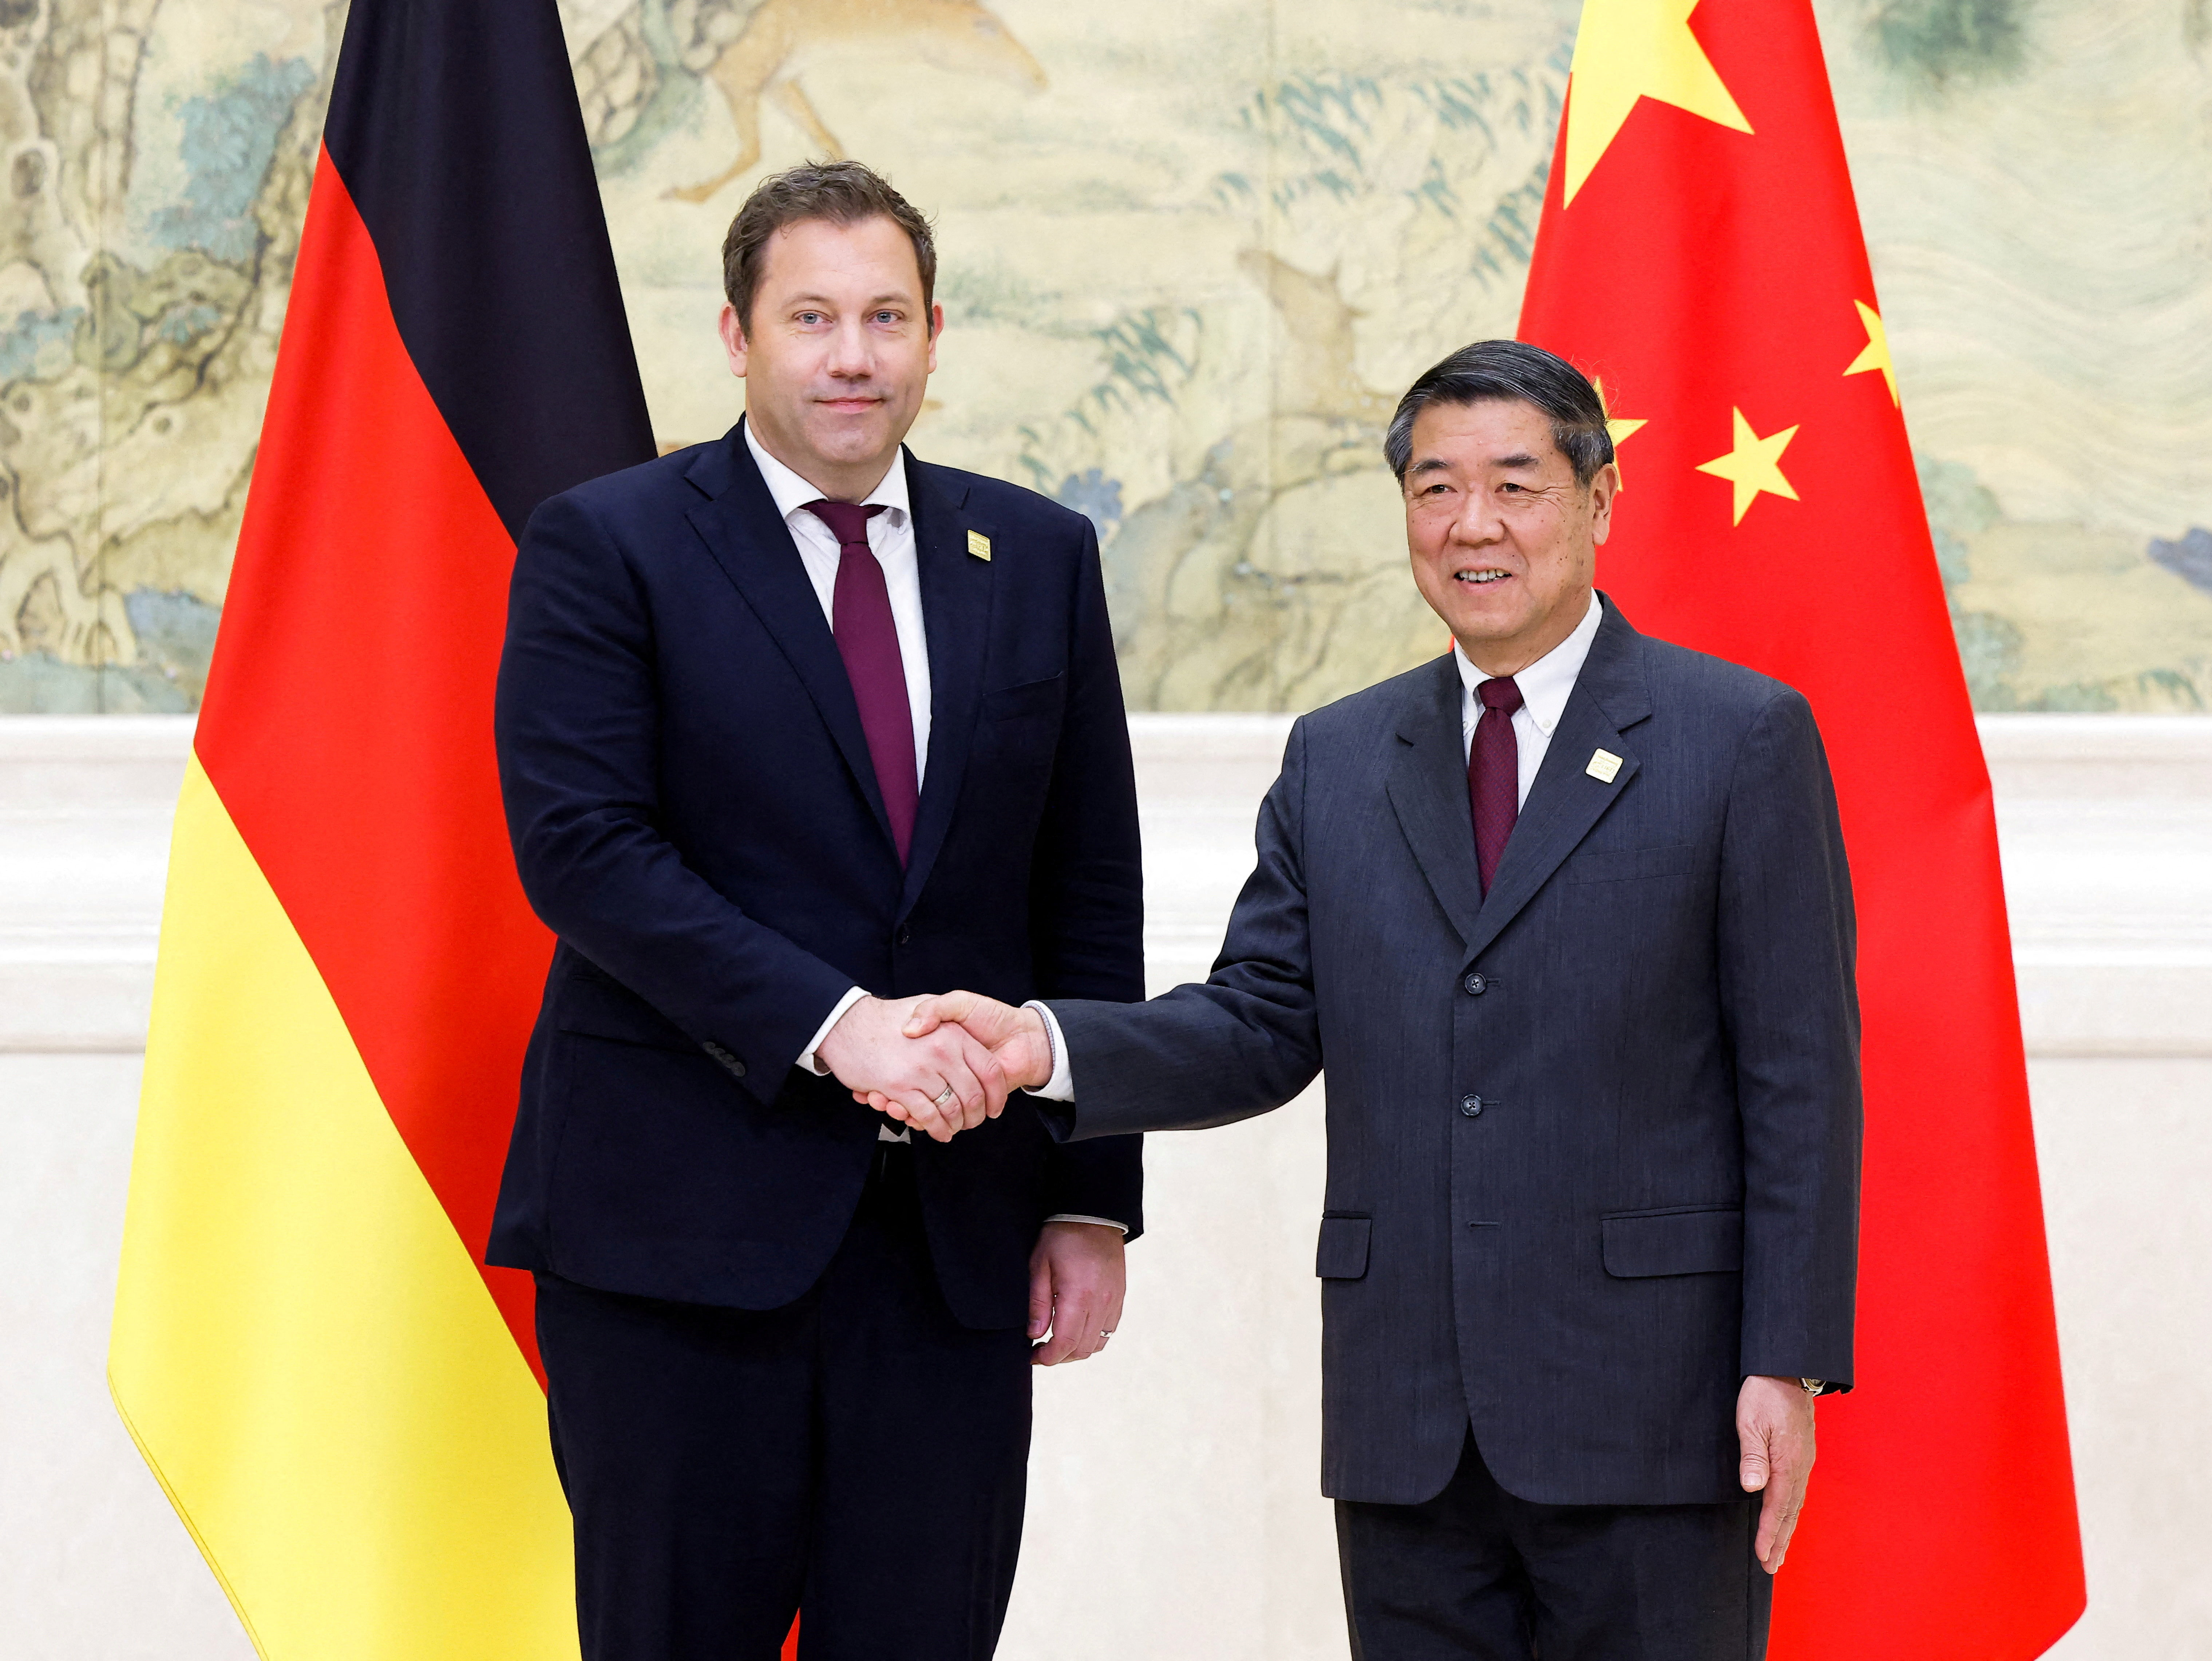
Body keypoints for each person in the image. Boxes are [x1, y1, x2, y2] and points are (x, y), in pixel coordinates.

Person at [897, 340, 1863, 1661]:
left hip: (1655, 1404)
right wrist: (1045, 1043)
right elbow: (1256, 1021)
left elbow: (1799, 1076)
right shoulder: (1341, 755)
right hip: (1407, 1414)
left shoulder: (1736, 736)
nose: (1473, 525)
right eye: (1434, 487)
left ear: (1600, 497)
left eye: (1515, 484)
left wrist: (1789, 1358)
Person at [486, 160, 1145, 1661]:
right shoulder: (612, 545)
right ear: (736, 335)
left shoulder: (1036, 555)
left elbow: (1088, 885)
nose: (852, 356)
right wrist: (836, 1029)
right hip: (675, 1243)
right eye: (811, 318)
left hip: (952, 1249)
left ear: (931, 336)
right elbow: (585, 850)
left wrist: (1091, 1195)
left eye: (885, 317)